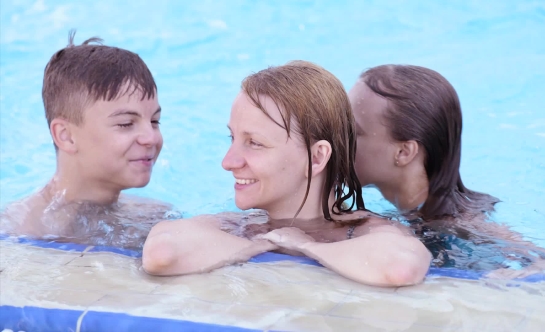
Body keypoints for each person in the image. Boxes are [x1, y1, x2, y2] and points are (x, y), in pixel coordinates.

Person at [142, 61, 432, 287]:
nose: (228, 162)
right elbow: (161, 254)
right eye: (233, 139)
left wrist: (306, 245)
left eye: (254, 143)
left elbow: (399, 268)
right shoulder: (243, 227)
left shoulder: (365, 230)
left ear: (316, 157)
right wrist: (262, 243)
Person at [349, 64, 545, 278]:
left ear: (404, 152)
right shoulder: (405, 213)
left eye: (353, 131)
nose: (335, 137)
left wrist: (504, 283)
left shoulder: (457, 224)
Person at [0, 31, 178, 249]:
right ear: (66, 136)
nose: (151, 138)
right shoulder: (18, 234)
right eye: (125, 124)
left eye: (154, 121)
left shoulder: (153, 215)